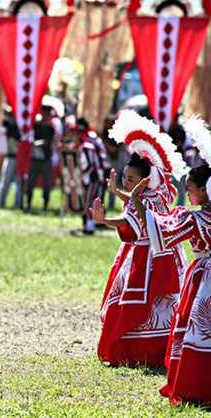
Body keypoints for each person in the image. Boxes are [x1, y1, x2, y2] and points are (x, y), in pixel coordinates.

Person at [90, 110, 188, 367]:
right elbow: (136, 204)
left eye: (130, 180)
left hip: (144, 257)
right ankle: (162, 346)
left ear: (145, 180)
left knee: (137, 303)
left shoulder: (142, 201)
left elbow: (129, 219)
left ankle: (136, 349)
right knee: (165, 303)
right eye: (124, 178)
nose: (126, 182)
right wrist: (118, 192)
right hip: (167, 253)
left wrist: (104, 221)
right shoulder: (161, 193)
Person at [134, 116, 211, 405]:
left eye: (190, 189)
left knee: (199, 332)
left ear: (206, 190)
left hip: (205, 281)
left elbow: (163, 229)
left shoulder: (197, 218)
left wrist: (138, 203)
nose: (187, 193)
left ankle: (198, 386)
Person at [26, 106, 55, 212]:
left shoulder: (50, 128)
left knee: (46, 183)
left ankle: (45, 205)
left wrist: (38, 143)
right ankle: (28, 203)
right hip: (35, 158)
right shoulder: (35, 125)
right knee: (31, 182)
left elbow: (47, 142)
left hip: (46, 159)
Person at [0, 110, 21, 208]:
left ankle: (18, 203)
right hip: (10, 156)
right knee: (5, 180)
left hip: (19, 157)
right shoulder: (6, 125)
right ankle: (1, 202)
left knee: (19, 182)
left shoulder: (20, 126)